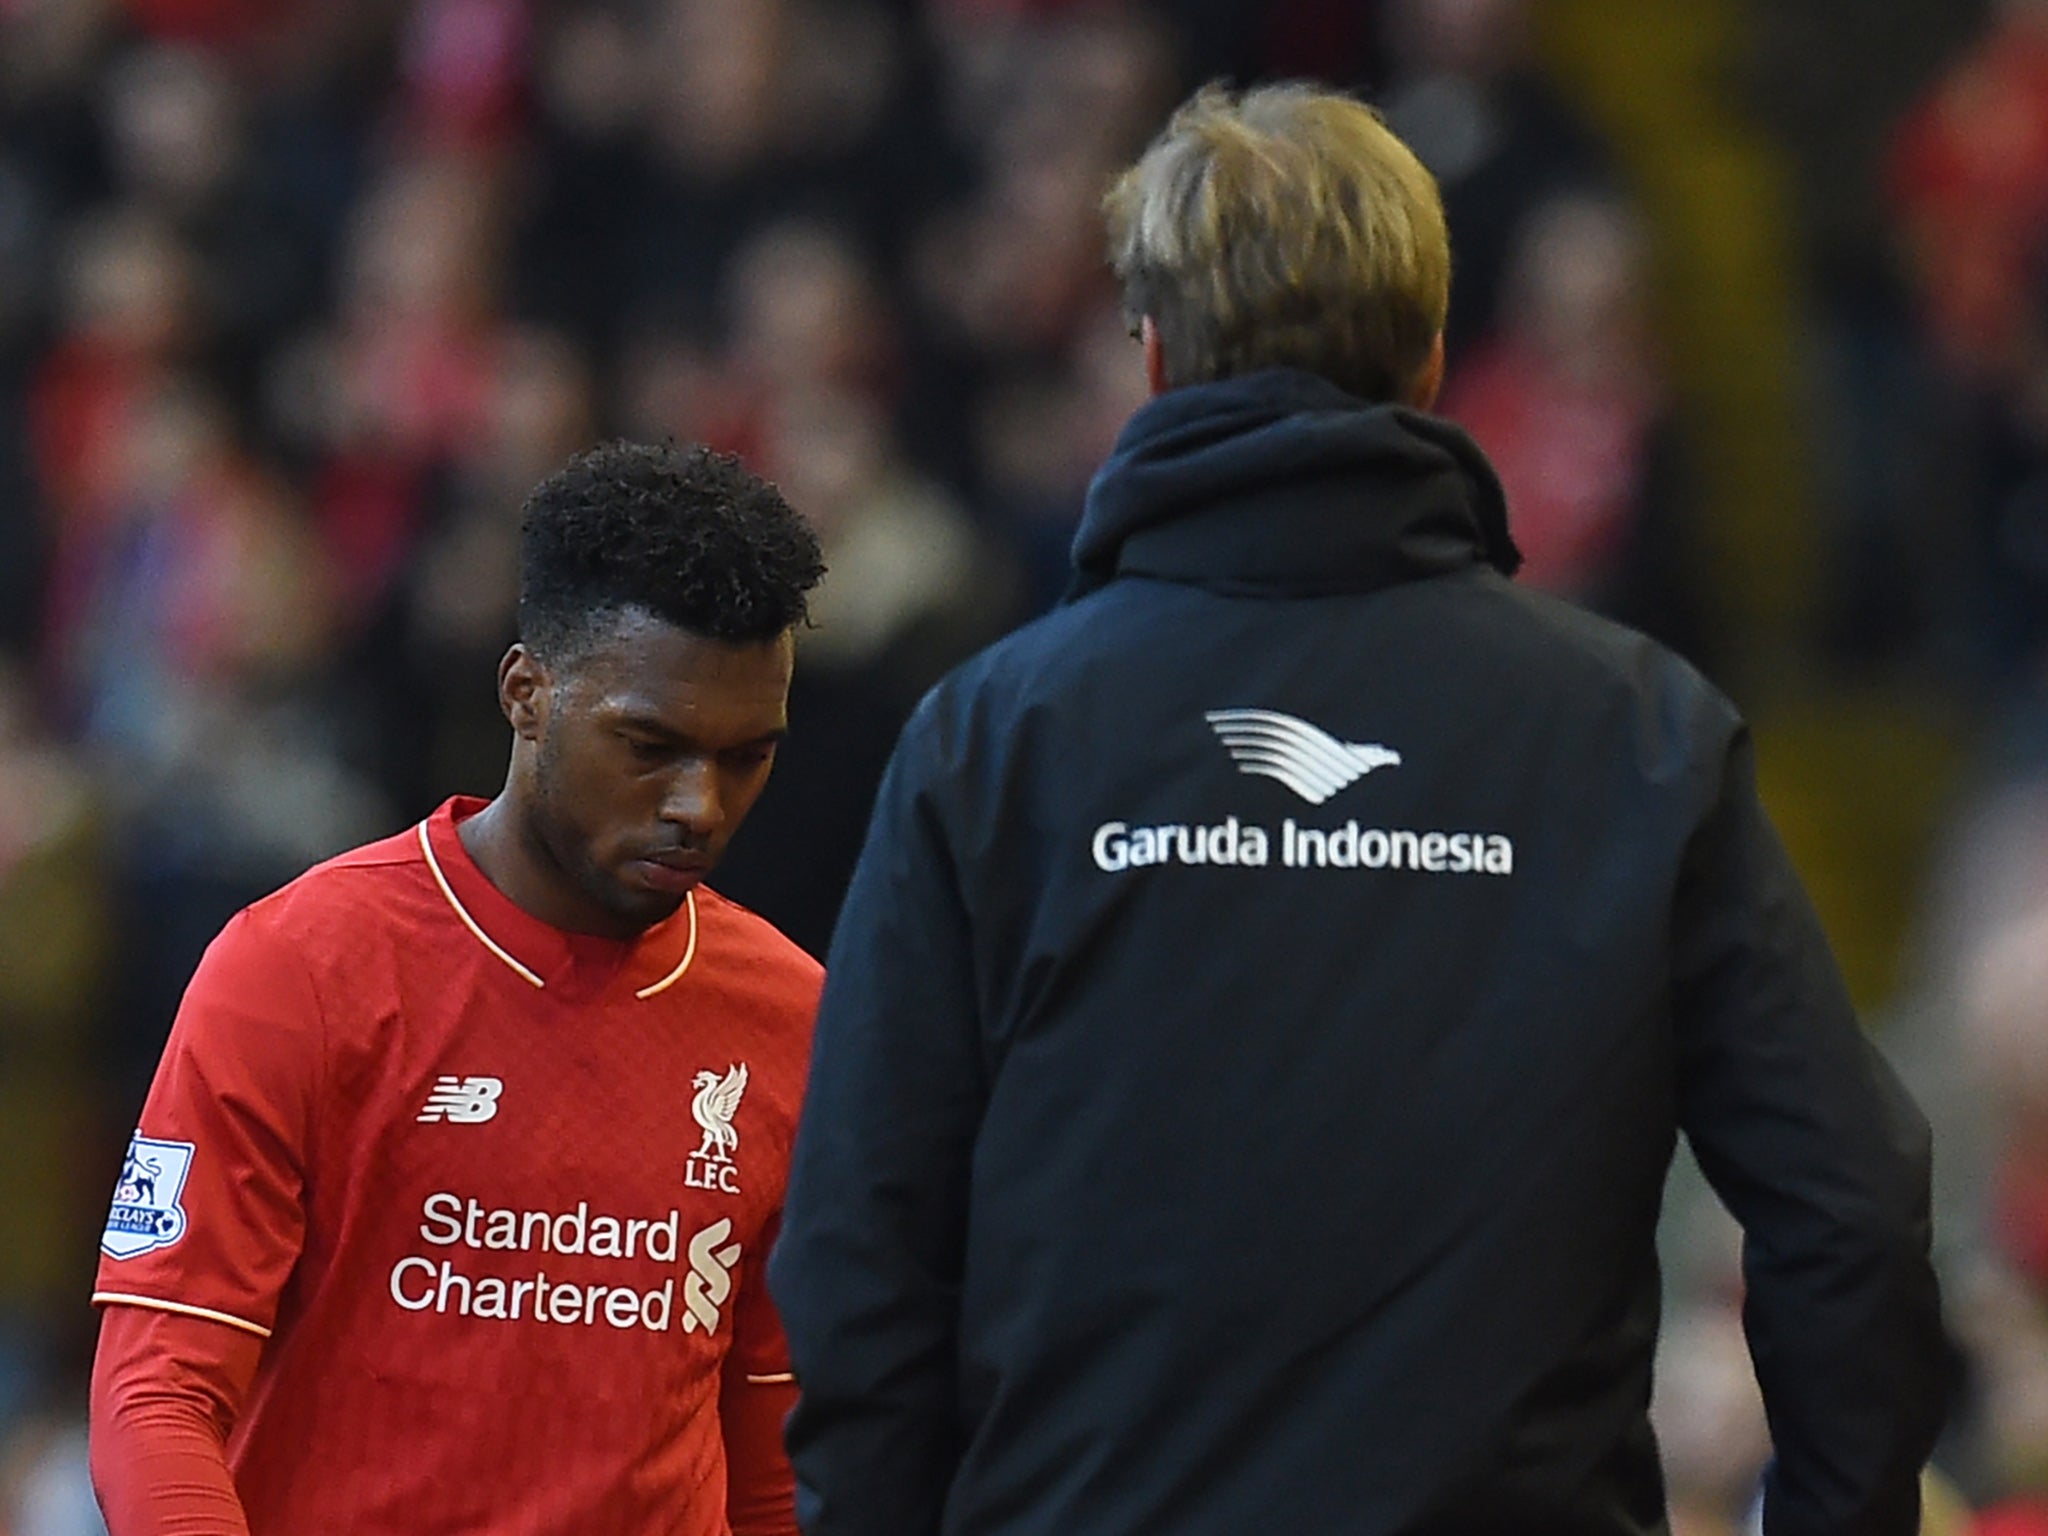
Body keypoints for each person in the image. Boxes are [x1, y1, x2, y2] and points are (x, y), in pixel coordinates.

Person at [768, 83, 1947, 1536]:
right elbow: (1852, 1204)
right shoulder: (1633, 733)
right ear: (1436, 362)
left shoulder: (995, 741)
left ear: (1148, 364)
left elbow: (855, 1246)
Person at [89, 441, 826, 1535]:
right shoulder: (296, 969)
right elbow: (156, 1389)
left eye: (745, 757)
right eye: (650, 746)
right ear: (525, 693)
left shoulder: (795, 1017)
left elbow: (774, 1446)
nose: (698, 806)